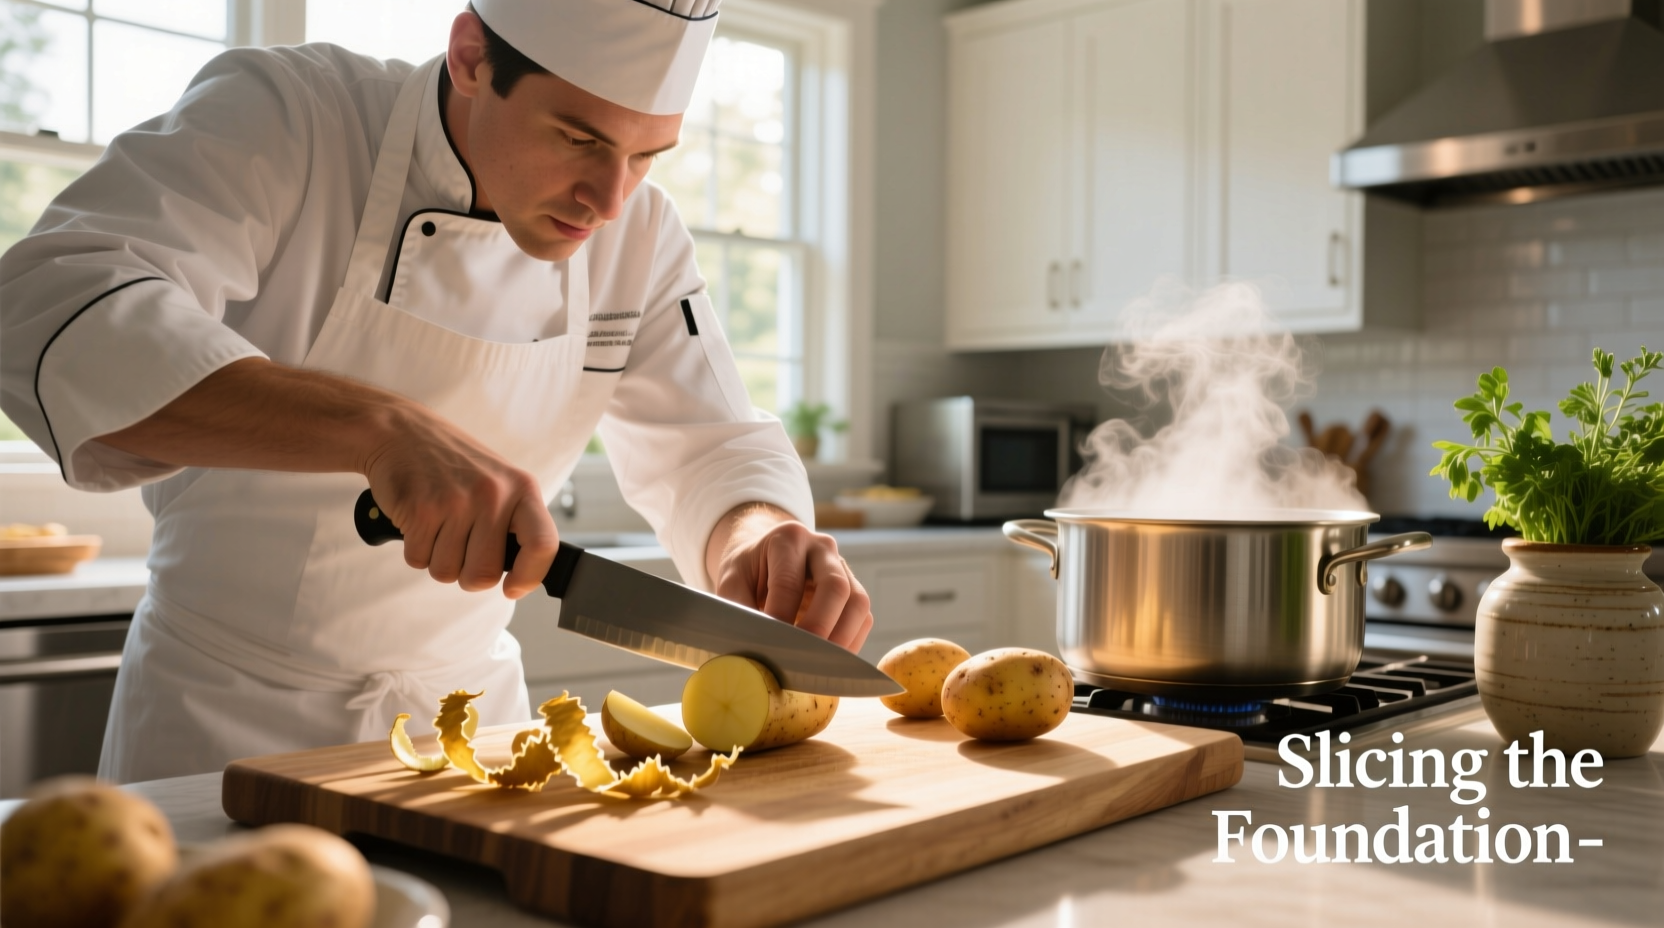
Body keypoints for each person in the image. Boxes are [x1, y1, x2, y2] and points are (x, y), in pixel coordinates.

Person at [0, 0, 872, 783]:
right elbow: (50, 301)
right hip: (223, 728)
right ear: (469, 57)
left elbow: (710, 443)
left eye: (648, 156)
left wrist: (757, 535)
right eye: (579, 138)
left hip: (474, 735)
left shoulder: (640, 235)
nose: (608, 200)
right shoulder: (291, 117)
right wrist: (377, 426)